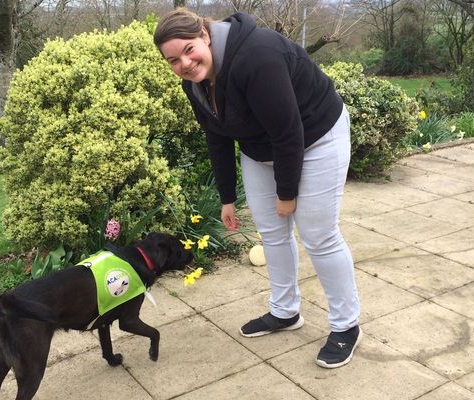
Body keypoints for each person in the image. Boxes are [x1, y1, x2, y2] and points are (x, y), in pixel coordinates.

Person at [154, 8, 361, 369]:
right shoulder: (194, 82)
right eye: (173, 60)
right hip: (261, 146)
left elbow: (288, 132)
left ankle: (346, 325)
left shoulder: (257, 56)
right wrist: (227, 198)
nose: (184, 63)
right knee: (271, 231)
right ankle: (285, 311)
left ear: (205, 34)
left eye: (188, 50)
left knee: (318, 234)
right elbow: (216, 137)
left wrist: (286, 195)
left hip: (316, 136)